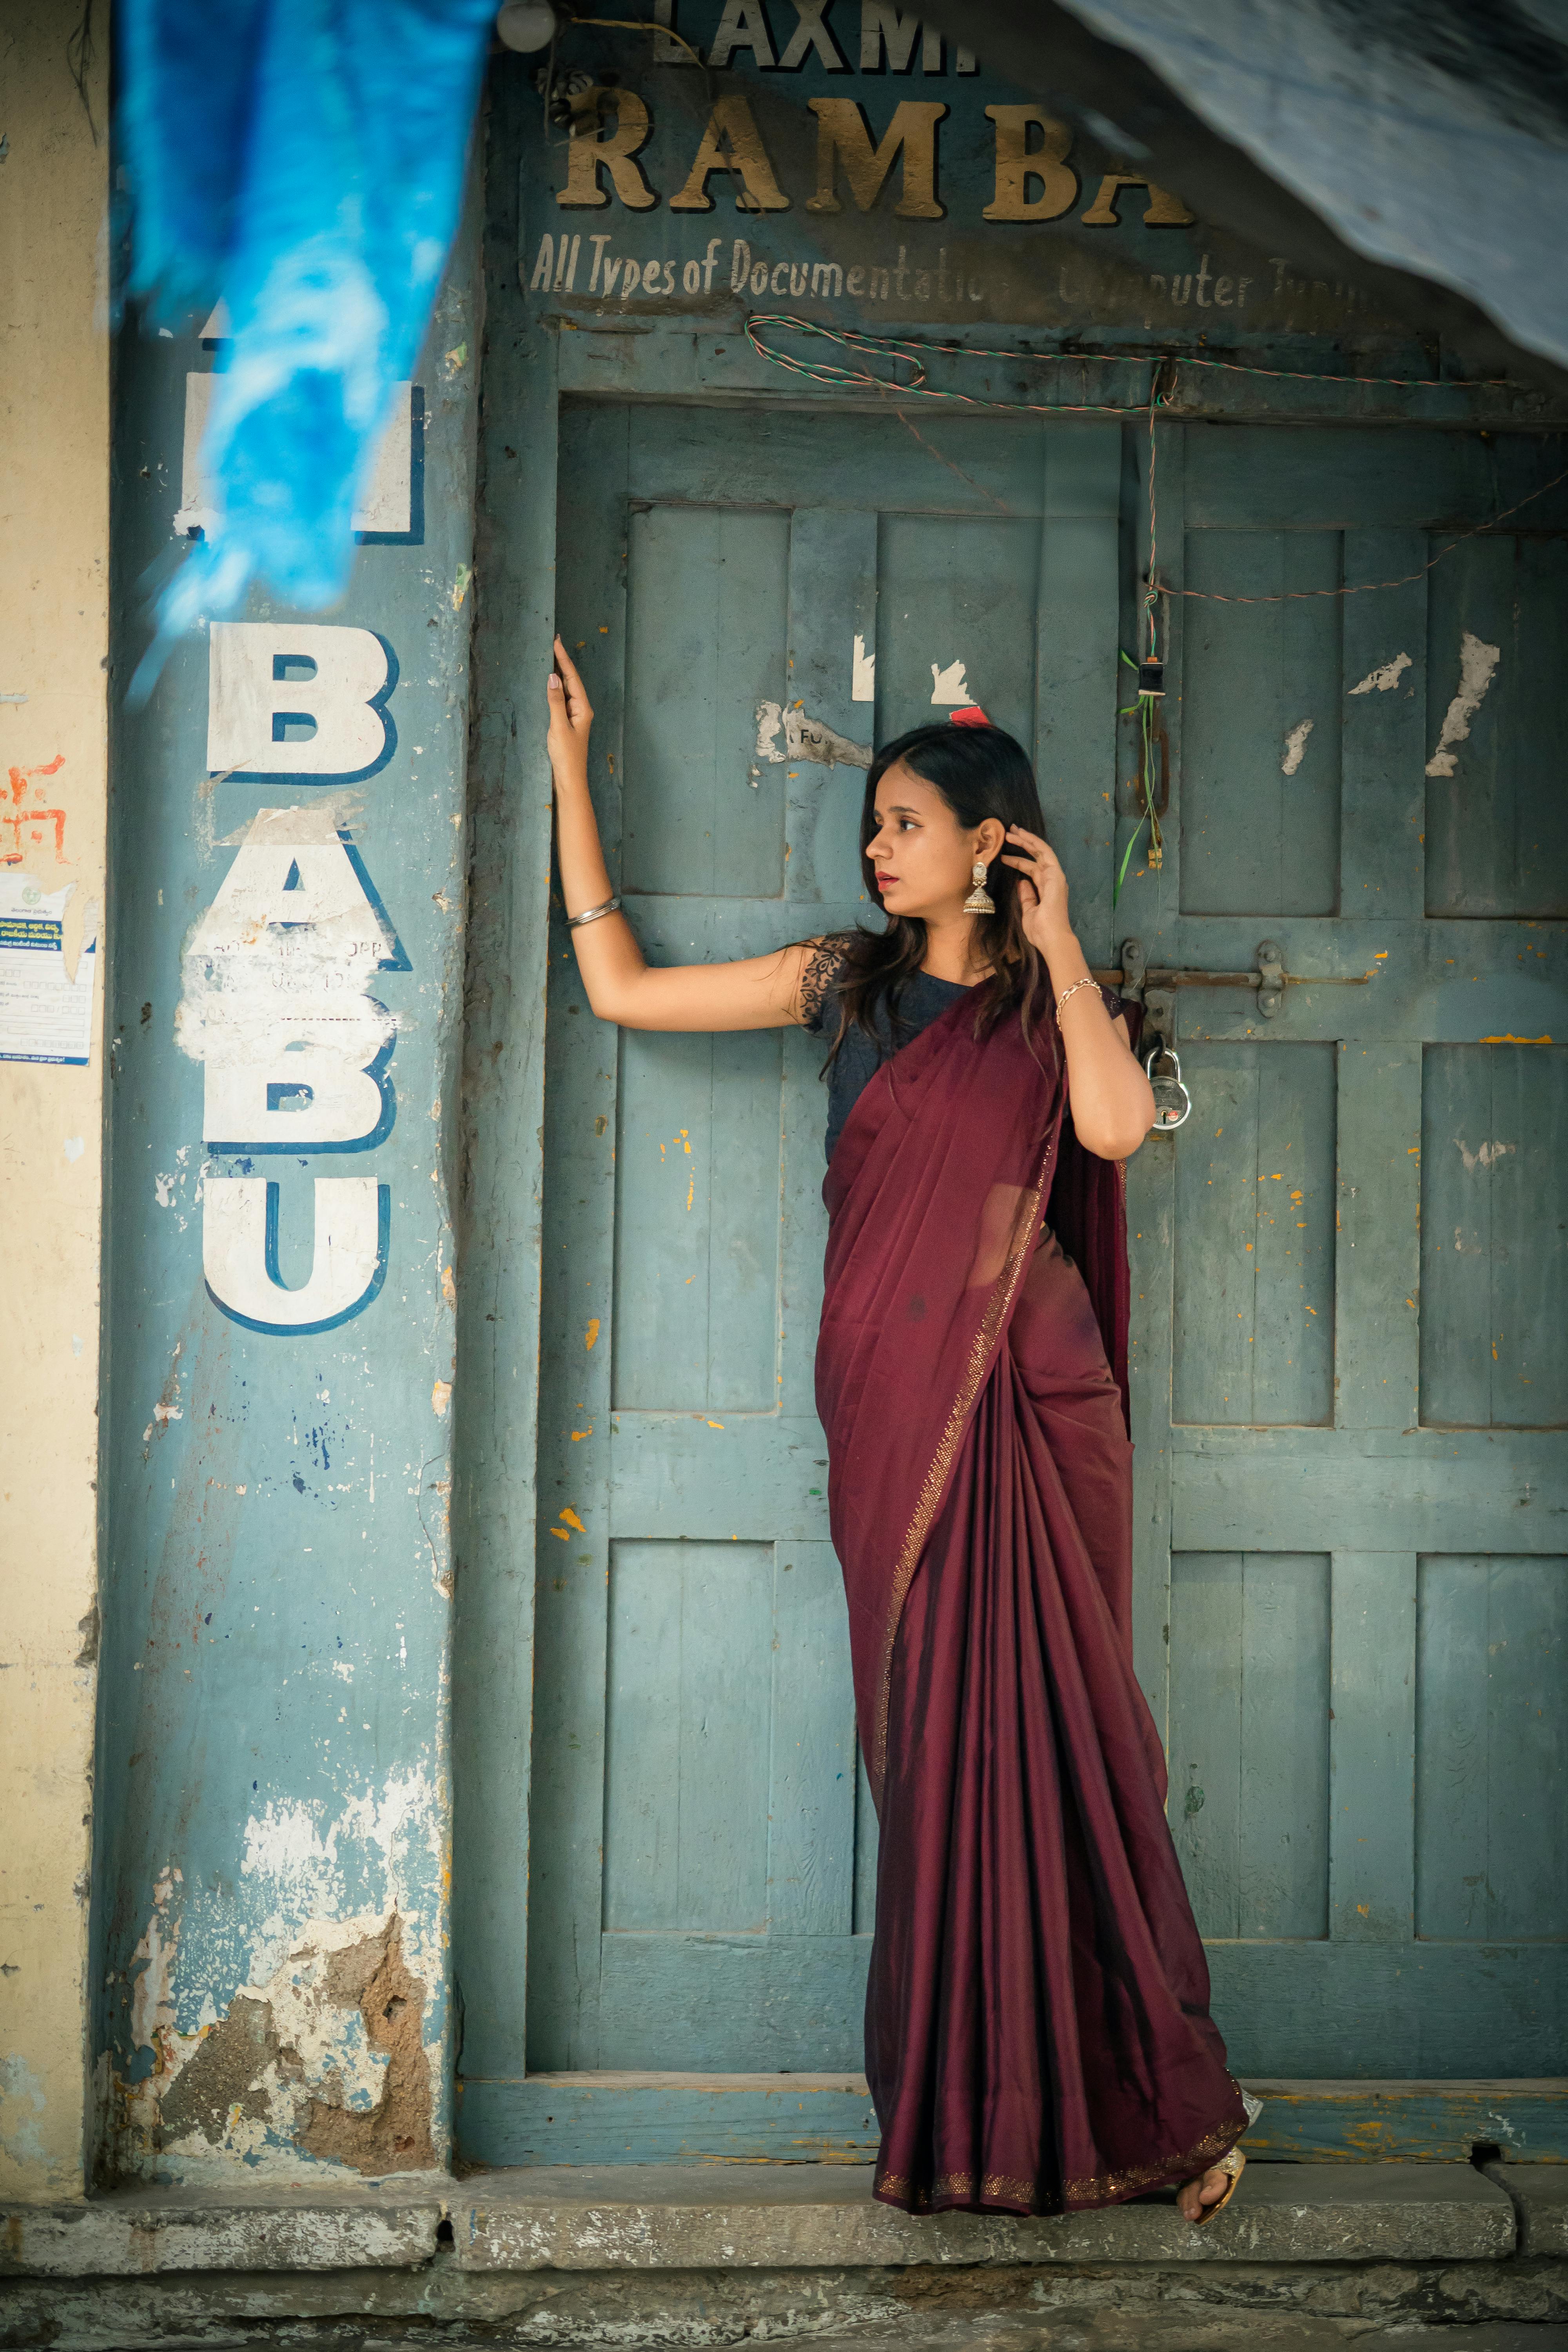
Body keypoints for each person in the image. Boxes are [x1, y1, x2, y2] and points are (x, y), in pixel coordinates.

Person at [545, 639, 1253, 2224]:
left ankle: (1159, 2103)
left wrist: (1060, 948)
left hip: (1032, 1402)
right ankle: (974, 2117)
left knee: (1075, 1747)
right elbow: (622, 989)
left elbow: (1113, 1129)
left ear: (990, 842)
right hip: (892, 1404)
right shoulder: (842, 982)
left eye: (907, 822)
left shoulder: (1058, 1009)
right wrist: (571, 776)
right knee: (940, 1756)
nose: (876, 845)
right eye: (872, 822)